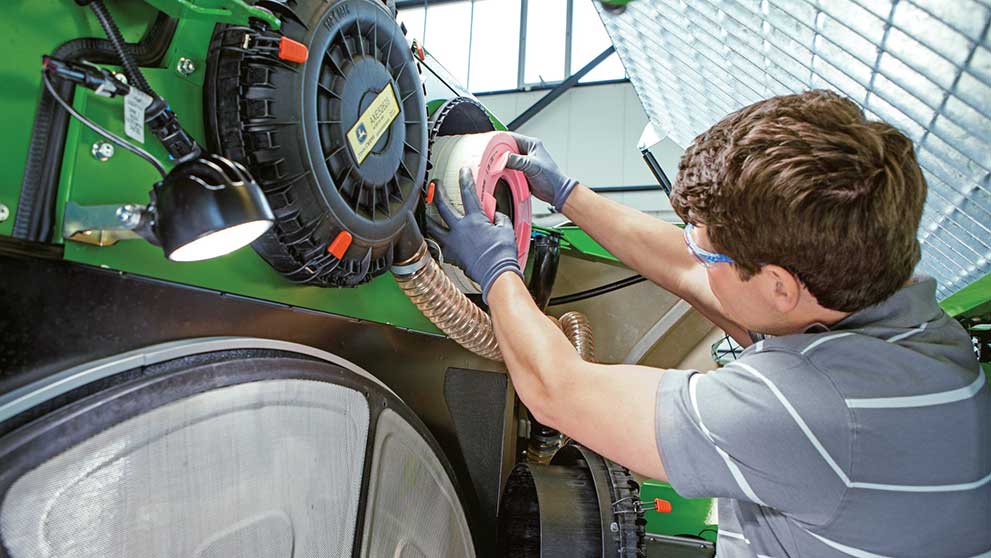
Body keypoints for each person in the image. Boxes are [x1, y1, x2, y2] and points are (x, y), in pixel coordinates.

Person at [427, 90, 989, 557]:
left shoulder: (811, 410)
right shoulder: (903, 311)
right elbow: (683, 265)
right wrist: (568, 193)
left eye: (711, 255)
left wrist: (495, 267)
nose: (696, 259)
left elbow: (559, 391)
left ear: (779, 286)